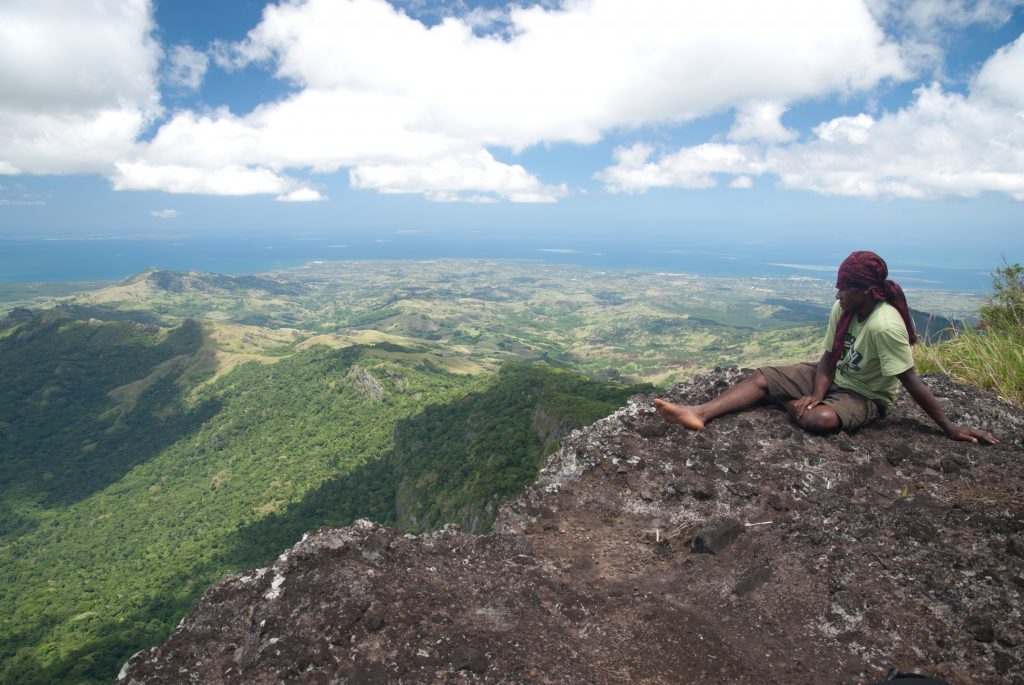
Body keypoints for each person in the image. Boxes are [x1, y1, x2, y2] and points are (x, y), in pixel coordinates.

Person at [655, 251, 999, 444]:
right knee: (761, 377)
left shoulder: (884, 325)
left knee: (819, 420)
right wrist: (818, 390)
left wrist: (949, 427)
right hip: (834, 378)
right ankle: (698, 412)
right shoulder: (844, 309)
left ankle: (785, 403)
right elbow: (828, 356)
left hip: (864, 395)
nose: (837, 296)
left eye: (843, 289)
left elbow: (911, 381)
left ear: (865, 291)